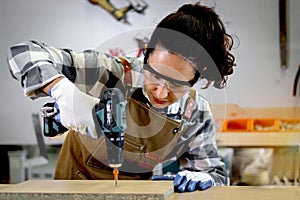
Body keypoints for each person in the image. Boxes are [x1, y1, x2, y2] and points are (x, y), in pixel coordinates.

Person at [7, 3, 235, 192]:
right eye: (154, 75)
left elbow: (214, 173)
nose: (161, 92)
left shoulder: (194, 112)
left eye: (176, 84)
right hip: (71, 193)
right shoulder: (109, 73)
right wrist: (60, 90)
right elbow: (23, 52)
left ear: (197, 77)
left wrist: (206, 179)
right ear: (146, 56)